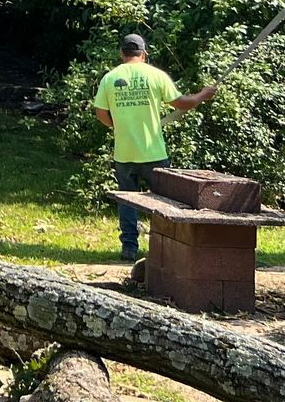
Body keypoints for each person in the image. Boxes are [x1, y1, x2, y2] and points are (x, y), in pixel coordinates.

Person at [92, 33, 217, 260]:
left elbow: (100, 113)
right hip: (154, 153)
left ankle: (129, 247)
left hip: (124, 152)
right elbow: (181, 103)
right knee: (162, 203)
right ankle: (164, 248)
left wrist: (118, 127)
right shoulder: (155, 75)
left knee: (127, 200)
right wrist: (202, 95)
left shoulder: (110, 78)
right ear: (144, 53)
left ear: (122, 53)